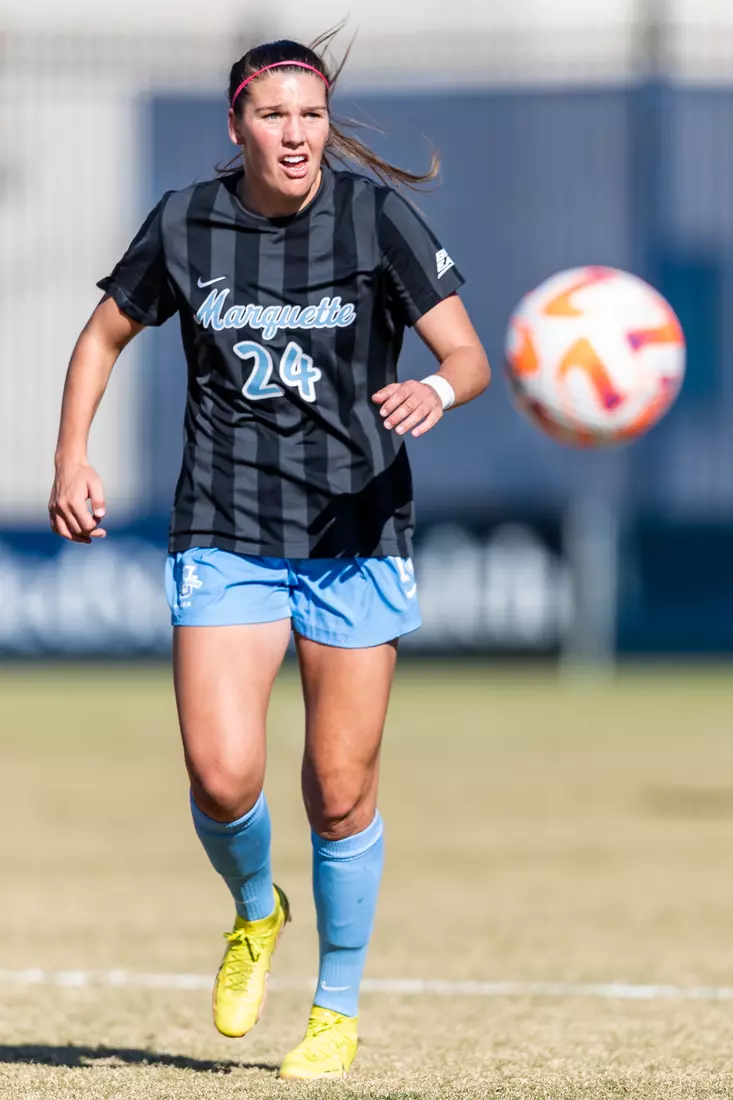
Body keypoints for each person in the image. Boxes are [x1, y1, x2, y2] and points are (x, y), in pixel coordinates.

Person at [49, 30, 490, 1081]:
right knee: (220, 771)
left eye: (310, 114)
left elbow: (468, 352)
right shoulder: (186, 222)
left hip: (355, 531)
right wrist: (71, 453)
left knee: (338, 789)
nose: (295, 134)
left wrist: (436, 387)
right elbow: (101, 335)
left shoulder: (373, 216)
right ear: (237, 125)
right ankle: (256, 907)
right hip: (227, 525)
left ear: (326, 124)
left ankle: (334, 1009)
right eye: (273, 114)